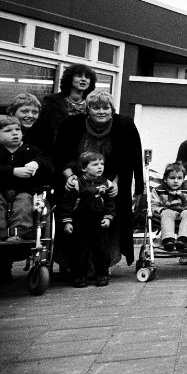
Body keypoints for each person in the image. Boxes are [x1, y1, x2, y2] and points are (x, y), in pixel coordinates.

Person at [54, 91, 144, 268]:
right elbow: (60, 155)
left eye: (105, 107)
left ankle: (104, 264)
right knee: (76, 221)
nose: (101, 111)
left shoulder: (124, 125)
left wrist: (117, 185)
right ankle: (74, 263)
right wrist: (70, 177)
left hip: (111, 180)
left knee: (109, 219)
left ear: (112, 109)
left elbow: (129, 161)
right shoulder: (72, 124)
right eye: (95, 107)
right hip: (79, 181)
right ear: (88, 110)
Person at [57, 151, 114, 287]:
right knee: (79, 249)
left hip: (99, 221)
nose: (100, 167)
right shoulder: (77, 183)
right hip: (80, 221)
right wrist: (67, 222)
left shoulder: (106, 183)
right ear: (83, 168)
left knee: (101, 249)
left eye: (102, 164)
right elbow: (67, 204)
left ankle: (101, 274)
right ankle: (79, 276)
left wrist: (108, 218)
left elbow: (110, 203)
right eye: (95, 164)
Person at [0, 115, 50, 241]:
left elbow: (47, 164)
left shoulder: (31, 150)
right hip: (1, 190)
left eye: (17, 130)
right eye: (7, 131)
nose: (14, 133)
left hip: (24, 191)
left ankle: (18, 233)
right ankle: (1, 232)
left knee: (23, 203)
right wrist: (13, 171)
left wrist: (36, 163)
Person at [38, 63, 97, 145]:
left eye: (87, 77)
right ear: (70, 79)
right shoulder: (52, 102)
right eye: (79, 76)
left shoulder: (92, 105)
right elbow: (41, 131)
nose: (83, 79)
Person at [150, 162, 187, 252]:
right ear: (165, 179)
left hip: (182, 214)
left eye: (179, 178)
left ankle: (183, 239)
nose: (176, 181)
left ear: (183, 179)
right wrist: (161, 210)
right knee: (167, 212)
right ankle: (168, 240)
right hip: (166, 214)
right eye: (172, 178)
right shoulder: (158, 190)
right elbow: (153, 206)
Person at [8, 93, 54, 158]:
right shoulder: (2, 130)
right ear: (12, 113)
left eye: (35, 112)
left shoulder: (44, 133)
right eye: (25, 111)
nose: (30, 115)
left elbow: (46, 158)